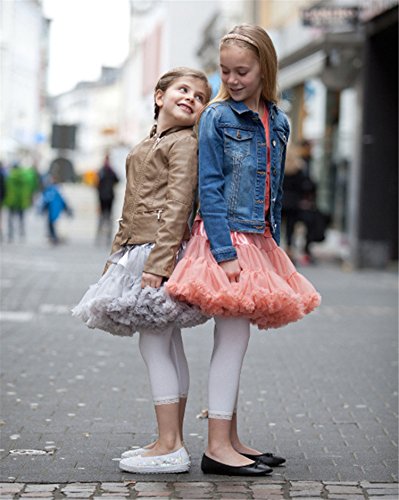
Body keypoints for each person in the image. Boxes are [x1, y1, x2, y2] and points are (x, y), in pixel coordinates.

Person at [166, 25, 321, 477]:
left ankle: (231, 439)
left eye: (242, 72)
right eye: (225, 71)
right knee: (231, 342)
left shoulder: (280, 119)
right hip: (227, 238)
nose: (232, 80)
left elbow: (271, 189)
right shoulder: (217, 117)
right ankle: (216, 448)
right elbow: (208, 188)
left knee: (237, 341)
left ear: (265, 68)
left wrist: (270, 245)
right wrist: (223, 251)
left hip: (259, 239)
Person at [72, 67, 212, 474]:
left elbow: (178, 205)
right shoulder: (150, 142)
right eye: (183, 90)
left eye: (200, 96)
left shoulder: (185, 143)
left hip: (158, 251)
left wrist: (160, 263)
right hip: (138, 249)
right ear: (159, 96)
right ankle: (169, 439)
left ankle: (171, 446)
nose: (191, 98)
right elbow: (130, 205)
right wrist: (115, 255)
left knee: (154, 345)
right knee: (167, 346)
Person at [3, 163, 34, 242]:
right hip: (21, 201)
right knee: (21, 219)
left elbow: (5, 189)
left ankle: (10, 235)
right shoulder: (25, 177)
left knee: (10, 219)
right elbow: (30, 188)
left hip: (12, 200)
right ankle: (21, 234)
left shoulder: (9, 176)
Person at [39, 174, 73, 244]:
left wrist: (42, 208)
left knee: (50, 224)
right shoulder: (56, 189)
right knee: (51, 224)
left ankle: (54, 237)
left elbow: (46, 200)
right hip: (55, 209)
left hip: (52, 210)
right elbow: (63, 201)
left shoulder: (51, 189)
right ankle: (53, 236)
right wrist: (67, 209)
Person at [95, 154, 119, 243]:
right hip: (104, 198)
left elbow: (117, 180)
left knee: (107, 217)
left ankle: (107, 236)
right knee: (103, 217)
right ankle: (101, 236)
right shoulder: (103, 171)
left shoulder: (108, 171)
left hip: (108, 197)